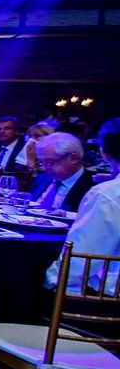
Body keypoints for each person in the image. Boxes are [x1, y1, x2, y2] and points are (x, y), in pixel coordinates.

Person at [43, 118, 120, 294]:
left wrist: (49, 279)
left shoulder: (106, 193)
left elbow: (80, 261)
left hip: (105, 297)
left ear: (104, 153)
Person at [30, 132, 90, 213]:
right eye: (41, 162)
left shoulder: (92, 188)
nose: (44, 168)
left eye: (49, 162)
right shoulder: (43, 178)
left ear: (74, 158)